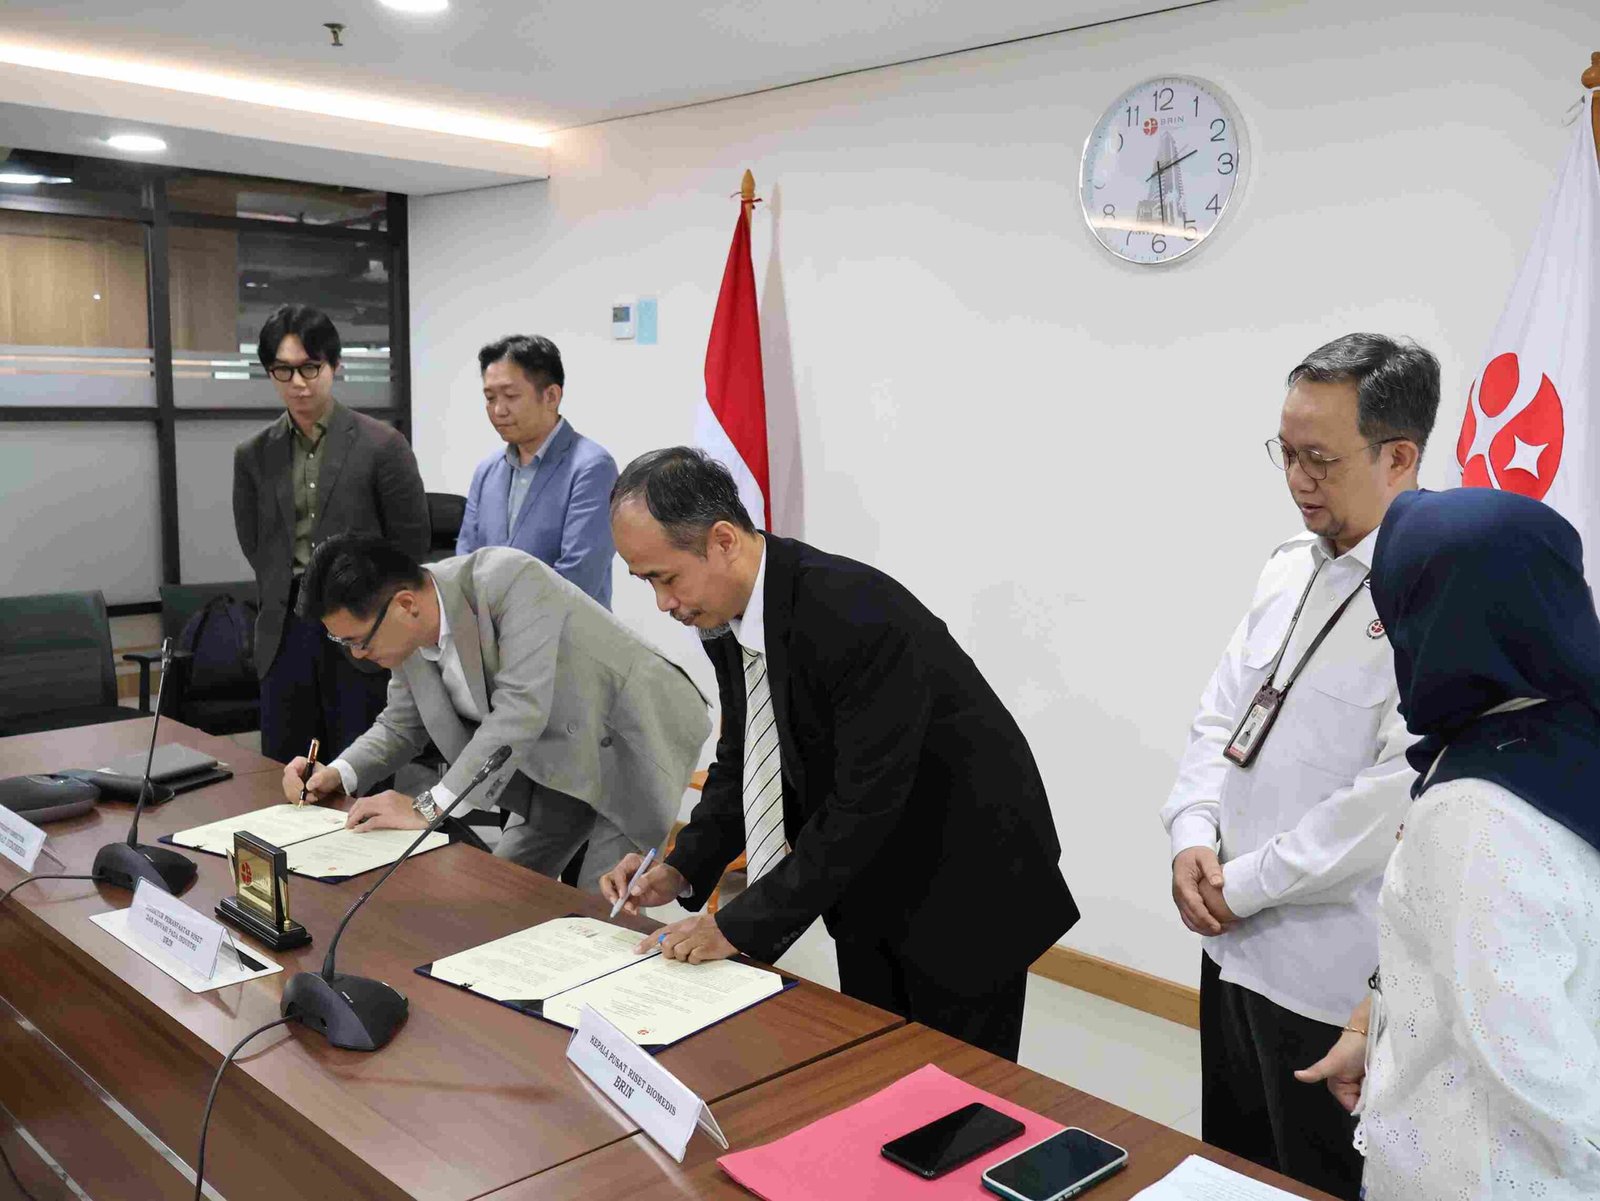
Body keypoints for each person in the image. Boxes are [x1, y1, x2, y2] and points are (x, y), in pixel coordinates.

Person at [599, 447, 1077, 1062]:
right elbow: (748, 756)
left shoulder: (853, 612)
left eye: (665, 578)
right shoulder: (726, 616)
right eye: (646, 582)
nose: (663, 604)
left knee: (956, 1087)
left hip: (966, 875)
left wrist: (735, 926)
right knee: (878, 1065)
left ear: (722, 541)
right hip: (871, 878)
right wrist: (680, 867)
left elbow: (863, 805)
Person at [1160, 333, 1440, 1199]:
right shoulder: (1289, 567)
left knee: (1315, 1181)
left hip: (1328, 981)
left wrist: (1240, 885)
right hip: (1230, 950)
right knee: (1232, 1171)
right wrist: (1191, 831)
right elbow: (1221, 716)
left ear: (1399, 457)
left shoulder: (1433, 598)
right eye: (1285, 452)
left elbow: (1383, 806)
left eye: (1320, 458)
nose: (1297, 478)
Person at [1295, 487, 1600, 1200]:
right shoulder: (1559, 731)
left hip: (1495, 1169)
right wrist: (1379, 1020)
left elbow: (1524, 1051)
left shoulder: (1473, 809)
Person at [283, 534, 710, 892]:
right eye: (344, 644)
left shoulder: (509, 579)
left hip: (632, 736)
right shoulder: (405, 638)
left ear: (405, 604)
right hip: (556, 758)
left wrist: (426, 808)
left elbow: (519, 709)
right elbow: (401, 725)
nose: (358, 654)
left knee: (600, 912)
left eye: (358, 641)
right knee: (499, 890)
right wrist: (338, 773)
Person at [233, 304, 429, 767]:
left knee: (360, 766)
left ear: (334, 365)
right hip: (286, 629)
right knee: (284, 769)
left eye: (310, 368)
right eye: (283, 370)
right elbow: (254, 541)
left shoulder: (382, 444)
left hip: (363, 624)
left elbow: (410, 542)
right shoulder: (253, 454)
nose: (298, 383)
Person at [455, 335, 619, 608]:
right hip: (489, 629)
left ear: (551, 396)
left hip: (567, 628)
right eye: (490, 398)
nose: (498, 410)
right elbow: (465, 564)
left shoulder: (592, 467)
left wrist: (500, 612)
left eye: (511, 396)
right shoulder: (487, 471)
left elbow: (579, 576)